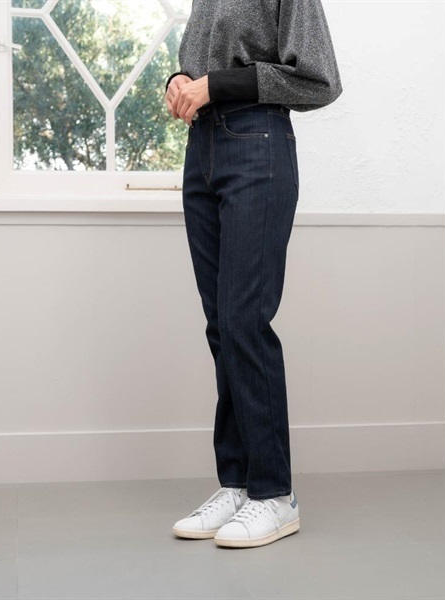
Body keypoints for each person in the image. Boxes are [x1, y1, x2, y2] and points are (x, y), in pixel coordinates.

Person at [166, 0, 342, 549]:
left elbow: (319, 80)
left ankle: (274, 494)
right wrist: (180, 81)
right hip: (202, 150)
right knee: (222, 327)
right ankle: (238, 484)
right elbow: (203, 64)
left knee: (244, 321)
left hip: (256, 145)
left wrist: (216, 86)